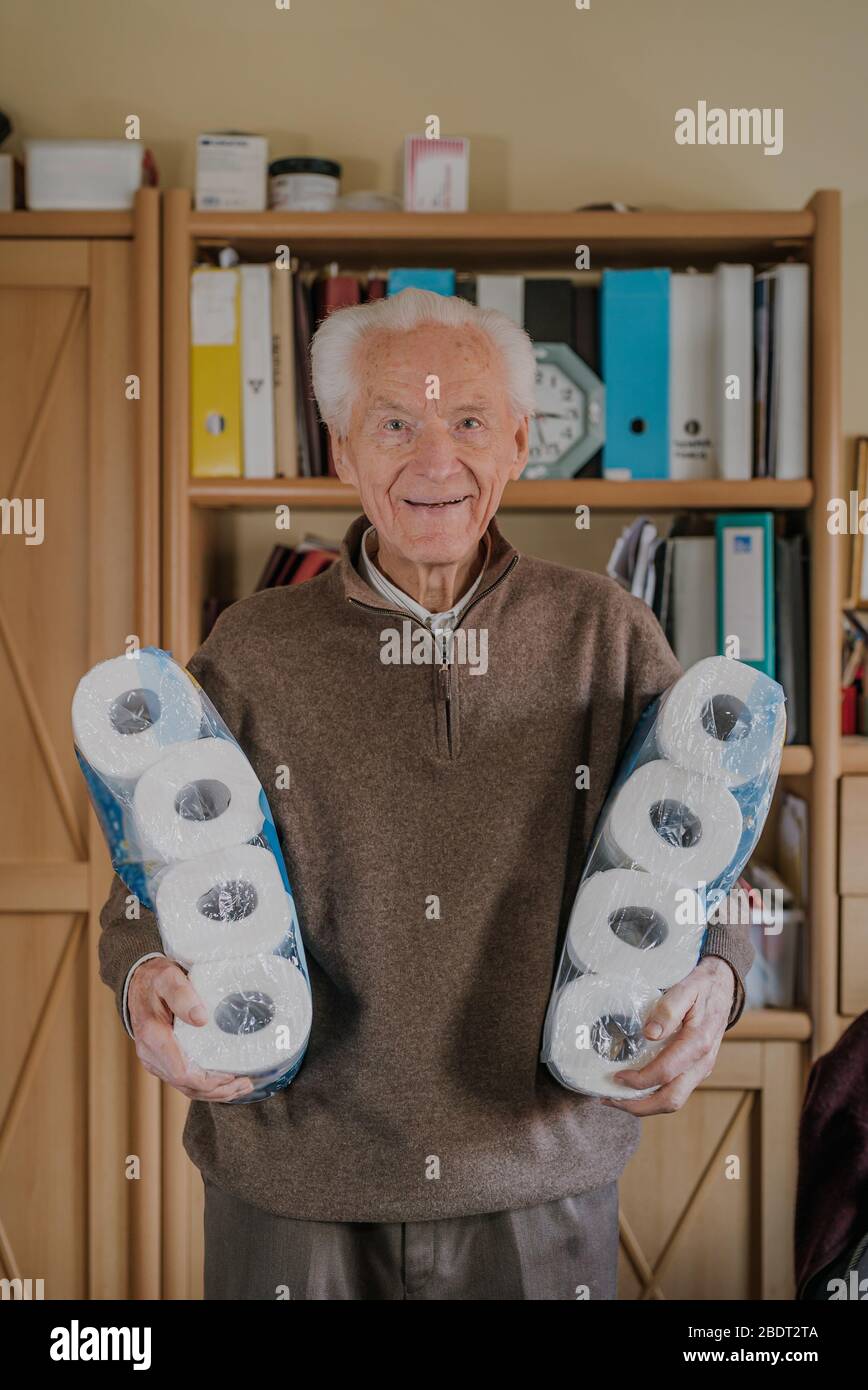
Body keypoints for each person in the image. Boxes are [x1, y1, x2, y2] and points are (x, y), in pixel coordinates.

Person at [99, 289, 752, 1300]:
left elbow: (704, 859)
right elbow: (150, 882)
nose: (434, 458)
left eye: (469, 420)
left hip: (538, 1175)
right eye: (394, 422)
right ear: (343, 453)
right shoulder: (253, 647)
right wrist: (144, 975)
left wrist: (716, 979)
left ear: (521, 443)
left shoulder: (606, 633)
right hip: (293, 1182)